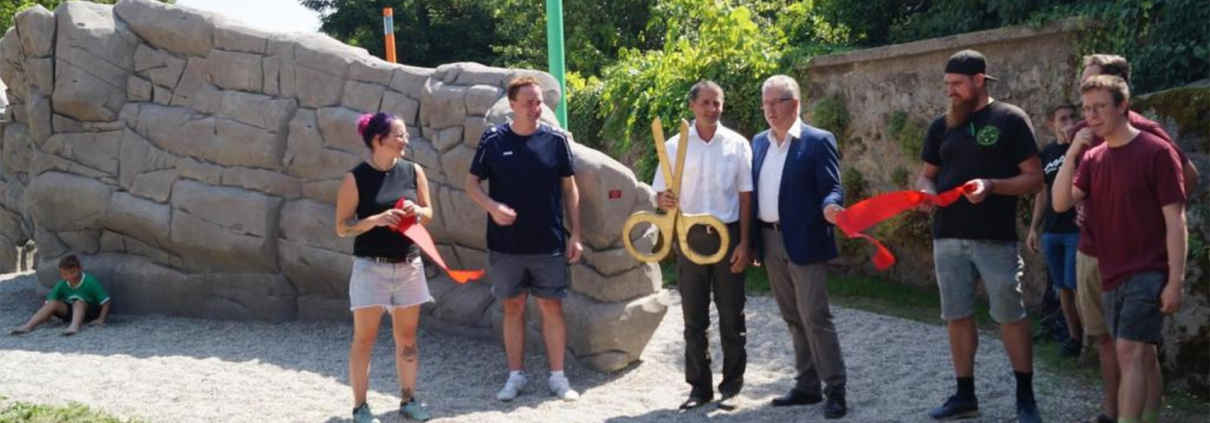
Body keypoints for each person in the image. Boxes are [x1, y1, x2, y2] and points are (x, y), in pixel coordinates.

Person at [1064, 54, 1198, 423]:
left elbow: (1185, 180)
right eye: (1085, 95)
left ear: (1119, 94)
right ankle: (1113, 412)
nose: (1089, 104)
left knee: (1134, 347)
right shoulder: (1085, 135)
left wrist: (1148, 215)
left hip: (1139, 259)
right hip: (1094, 250)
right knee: (1107, 341)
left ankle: (1141, 415)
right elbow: (1067, 195)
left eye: (1093, 84)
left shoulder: (1147, 134)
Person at [914, 50, 1043, 423]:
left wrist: (991, 185)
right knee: (956, 315)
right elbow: (927, 175)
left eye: (957, 84)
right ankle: (965, 395)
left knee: (1009, 314)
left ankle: (1026, 397)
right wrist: (925, 192)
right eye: (947, 84)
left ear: (979, 80)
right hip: (947, 236)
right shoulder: (941, 125)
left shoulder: (1010, 119)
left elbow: (1034, 179)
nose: (950, 91)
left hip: (994, 237)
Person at [465, 76, 583, 403]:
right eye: (529, 102)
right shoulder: (493, 139)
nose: (536, 107)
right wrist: (492, 207)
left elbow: (570, 188)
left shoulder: (556, 140)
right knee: (513, 306)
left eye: (539, 102)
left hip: (549, 242)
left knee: (551, 306)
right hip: (505, 245)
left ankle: (558, 377)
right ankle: (515, 375)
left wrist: (577, 234)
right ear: (512, 104)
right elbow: (471, 184)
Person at [651, 80, 753, 411]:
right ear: (692, 106)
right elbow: (658, 193)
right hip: (689, 237)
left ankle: (732, 388)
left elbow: (746, 196)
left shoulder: (737, 144)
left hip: (728, 236)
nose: (712, 109)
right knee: (694, 318)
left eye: (717, 102)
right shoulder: (673, 146)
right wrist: (662, 199)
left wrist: (746, 243)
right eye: (706, 103)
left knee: (732, 316)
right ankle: (699, 389)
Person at [750, 74, 848, 419]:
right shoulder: (758, 142)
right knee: (792, 316)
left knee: (815, 315)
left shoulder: (818, 140)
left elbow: (832, 187)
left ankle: (835, 390)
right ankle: (807, 386)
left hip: (805, 239)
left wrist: (831, 206)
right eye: (765, 103)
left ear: (795, 104)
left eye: (776, 102)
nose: (770, 109)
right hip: (769, 239)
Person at [335, 112, 434, 422]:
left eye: (405, 134)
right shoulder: (355, 178)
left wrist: (418, 211)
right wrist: (375, 220)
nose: (405, 140)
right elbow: (342, 227)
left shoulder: (413, 171)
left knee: (407, 338)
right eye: (399, 135)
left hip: (409, 266)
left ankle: (409, 400)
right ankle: (360, 407)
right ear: (378, 140)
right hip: (370, 267)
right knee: (364, 339)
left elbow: (428, 213)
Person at [1026, 104, 1082, 358]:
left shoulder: (1080, 148)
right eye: (1063, 119)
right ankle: (1074, 338)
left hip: (1075, 229)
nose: (1069, 122)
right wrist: (1033, 229)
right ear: (1052, 124)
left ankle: (1089, 340)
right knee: (1062, 288)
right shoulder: (1047, 153)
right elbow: (1042, 193)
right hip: (1052, 229)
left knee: (1075, 285)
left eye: (1071, 117)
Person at [9, 254, 109, 336]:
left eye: (72, 272)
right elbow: (49, 302)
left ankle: (74, 327)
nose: (69, 276)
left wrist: (101, 319)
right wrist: (47, 316)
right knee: (54, 303)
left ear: (80, 269)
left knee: (78, 303)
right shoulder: (62, 284)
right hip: (71, 311)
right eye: (65, 274)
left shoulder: (90, 282)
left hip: (90, 312)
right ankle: (28, 326)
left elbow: (105, 301)